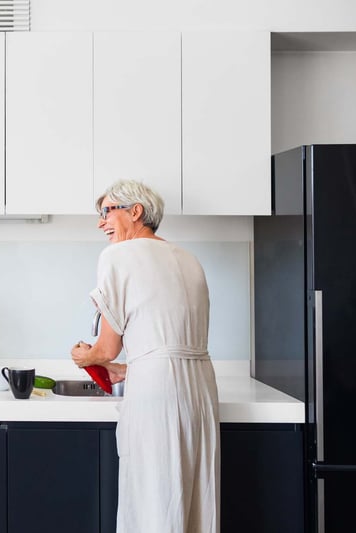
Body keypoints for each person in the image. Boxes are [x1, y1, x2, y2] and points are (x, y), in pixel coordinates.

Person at [70, 180, 220, 533]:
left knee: (154, 496)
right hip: (200, 387)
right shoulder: (188, 257)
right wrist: (124, 370)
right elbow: (170, 343)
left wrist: (85, 356)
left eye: (107, 211)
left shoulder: (117, 256)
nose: (100, 223)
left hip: (157, 395)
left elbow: (106, 348)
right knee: (196, 495)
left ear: (135, 211)